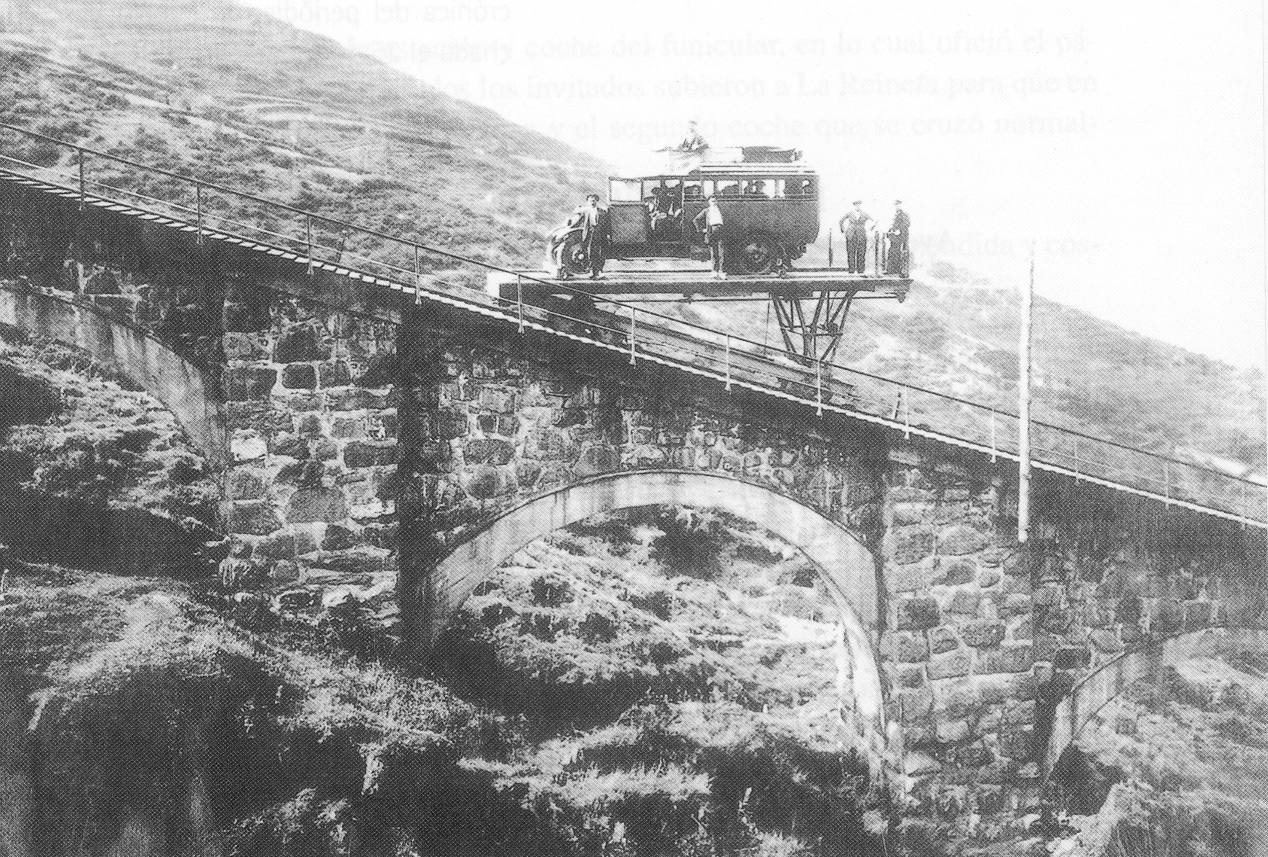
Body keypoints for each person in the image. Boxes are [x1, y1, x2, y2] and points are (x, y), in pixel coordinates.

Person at [567, 192, 612, 280]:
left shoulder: (602, 212)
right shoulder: (585, 211)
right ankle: (592, 271)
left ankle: (598, 272)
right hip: (589, 234)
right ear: (588, 201)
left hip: (600, 234)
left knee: (600, 253)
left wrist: (608, 235)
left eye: (594, 201)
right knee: (590, 253)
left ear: (597, 201)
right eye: (590, 201)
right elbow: (576, 211)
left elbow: (607, 225)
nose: (592, 202)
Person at [692, 195, 726, 279]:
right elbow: (695, 220)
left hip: (721, 231)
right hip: (711, 231)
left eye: (715, 201)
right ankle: (714, 271)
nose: (714, 203)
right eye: (712, 201)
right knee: (713, 252)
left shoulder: (721, 210)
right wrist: (701, 230)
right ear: (709, 202)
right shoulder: (706, 211)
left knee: (721, 252)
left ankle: (721, 271)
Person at [838, 199, 874, 274]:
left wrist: (871, 228)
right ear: (854, 206)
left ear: (860, 205)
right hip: (851, 236)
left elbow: (873, 221)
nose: (858, 206)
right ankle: (851, 270)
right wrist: (844, 231)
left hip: (861, 236)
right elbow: (841, 221)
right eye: (856, 205)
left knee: (861, 253)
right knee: (851, 253)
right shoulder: (850, 213)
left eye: (859, 205)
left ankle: (861, 270)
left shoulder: (864, 214)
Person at [885, 199, 911, 276]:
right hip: (894, 238)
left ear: (901, 205)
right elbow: (894, 226)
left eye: (898, 205)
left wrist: (899, 230)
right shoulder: (897, 214)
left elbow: (907, 224)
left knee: (898, 253)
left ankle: (897, 271)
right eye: (896, 205)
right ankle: (891, 270)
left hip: (901, 238)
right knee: (892, 252)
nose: (897, 207)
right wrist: (889, 231)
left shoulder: (904, 214)